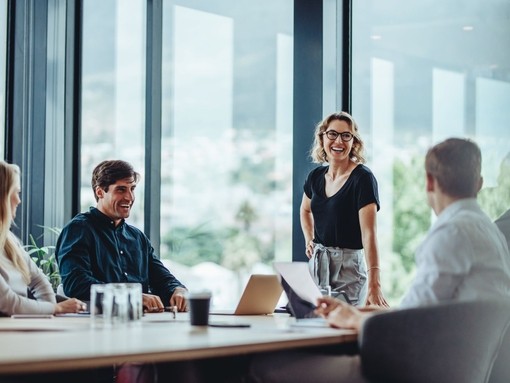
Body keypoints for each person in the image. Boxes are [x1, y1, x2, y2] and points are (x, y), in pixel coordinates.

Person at [246, 138, 510, 383]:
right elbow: (428, 310)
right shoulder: (491, 234)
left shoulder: (451, 233)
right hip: (456, 371)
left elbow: (410, 327)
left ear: (429, 182)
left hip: (409, 370)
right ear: (479, 183)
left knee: (264, 367)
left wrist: (353, 319)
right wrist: (359, 311)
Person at [56, 160, 188, 313]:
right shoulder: (79, 229)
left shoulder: (137, 237)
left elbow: (161, 277)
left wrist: (178, 290)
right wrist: (132, 297)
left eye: (132, 189)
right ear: (100, 192)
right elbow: (76, 284)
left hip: (141, 324)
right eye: (121, 190)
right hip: (96, 325)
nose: (130, 197)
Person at [300, 111, 387, 307]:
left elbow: (369, 234)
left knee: (345, 331)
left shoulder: (363, 178)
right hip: (317, 265)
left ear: (353, 142)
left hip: (349, 269)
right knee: (316, 328)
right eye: (332, 134)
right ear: (322, 138)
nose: (338, 141)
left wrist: (375, 283)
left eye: (346, 135)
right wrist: (309, 238)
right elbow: (305, 210)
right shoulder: (315, 177)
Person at [0, 161, 86, 316]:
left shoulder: (8, 240)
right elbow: (7, 302)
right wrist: (56, 308)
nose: (18, 201)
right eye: (15, 192)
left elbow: (38, 280)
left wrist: (49, 310)